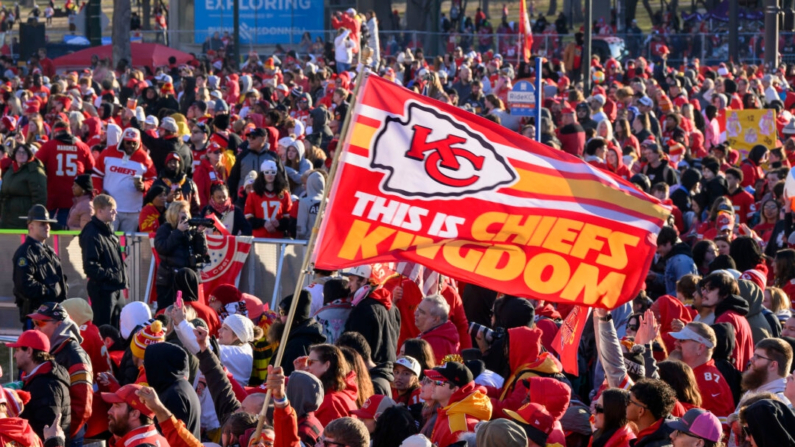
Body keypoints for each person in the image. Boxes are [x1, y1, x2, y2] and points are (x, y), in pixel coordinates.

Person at [28, 302, 93, 444]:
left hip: (66, 438)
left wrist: (63, 436)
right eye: (34, 322)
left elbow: (83, 406)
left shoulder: (75, 355)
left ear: (59, 324)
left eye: (40, 322)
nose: (35, 327)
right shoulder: (51, 349)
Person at [6, 330, 71, 441]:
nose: (14, 355)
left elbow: (47, 430)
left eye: (17, 350)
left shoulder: (46, 385)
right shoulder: (40, 379)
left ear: (29, 351)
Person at [92, 128, 157, 233]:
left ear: (139, 142)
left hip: (133, 211)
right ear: (122, 140)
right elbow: (96, 175)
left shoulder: (145, 158)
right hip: (109, 209)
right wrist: (99, 192)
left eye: (134, 143)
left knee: (127, 244)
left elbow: (152, 179)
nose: (131, 145)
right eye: (128, 142)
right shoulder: (108, 152)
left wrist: (144, 186)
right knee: (108, 239)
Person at [668, 322, 735, 420]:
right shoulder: (696, 373)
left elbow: (720, 429)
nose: (676, 343)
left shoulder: (708, 382)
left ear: (700, 348)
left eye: (682, 340)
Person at [13, 205, 67, 326]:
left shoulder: (49, 251)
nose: (47, 226)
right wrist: (50, 290)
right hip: (36, 316)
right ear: (30, 226)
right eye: (42, 223)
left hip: (53, 315)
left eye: (48, 223)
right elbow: (24, 285)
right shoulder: (25, 253)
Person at [79, 194, 127, 327]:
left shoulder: (108, 230)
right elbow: (90, 266)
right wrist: (112, 276)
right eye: (111, 209)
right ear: (99, 211)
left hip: (115, 287)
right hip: (103, 290)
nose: (115, 213)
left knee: (118, 328)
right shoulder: (91, 233)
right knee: (104, 329)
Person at [34, 120, 94, 226]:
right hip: (75, 197)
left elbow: (35, 165)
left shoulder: (49, 146)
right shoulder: (83, 147)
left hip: (53, 195)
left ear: (55, 133)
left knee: (48, 230)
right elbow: (90, 170)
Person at [154, 200, 209, 309]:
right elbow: (162, 248)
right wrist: (178, 232)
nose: (185, 215)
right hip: (169, 279)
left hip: (188, 279)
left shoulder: (191, 230)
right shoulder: (165, 229)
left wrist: (199, 234)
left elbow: (201, 252)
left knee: (189, 310)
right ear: (174, 213)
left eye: (187, 211)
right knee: (167, 310)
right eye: (181, 212)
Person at [343, 265, 400, 365]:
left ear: (364, 280)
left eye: (351, 280)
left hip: (370, 372)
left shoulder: (362, 308)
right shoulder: (393, 307)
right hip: (389, 370)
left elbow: (356, 349)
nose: (348, 285)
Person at [143, 341, 202, 439]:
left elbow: (174, 439)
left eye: (147, 364)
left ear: (159, 366)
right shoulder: (180, 386)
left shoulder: (174, 395)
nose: (145, 368)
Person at [426, 361, 492, 447]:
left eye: (438, 382)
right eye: (433, 381)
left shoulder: (460, 427)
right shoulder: (447, 411)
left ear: (455, 389)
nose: (432, 385)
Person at [701, 272, 755, 370]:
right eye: (704, 288)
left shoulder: (727, 318)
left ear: (725, 294)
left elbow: (729, 358)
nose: (704, 293)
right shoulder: (735, 314)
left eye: (710, 289)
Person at [295, 344, 358, 427]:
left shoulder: (330, 403)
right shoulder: (340, 395)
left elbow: (320, 438)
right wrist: (300, 378)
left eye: (310, 362)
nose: (306, 368)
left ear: (326, 365)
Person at [275, 290, 327, 376]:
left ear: (294, 316)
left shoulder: (297, 345)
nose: (277, 315)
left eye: (282, 312)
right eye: (278, 311)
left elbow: (289, 378)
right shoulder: (293, 337)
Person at [100, 384, 169, 447]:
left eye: (116, 406)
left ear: (134, 414)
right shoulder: (161, 439)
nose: (109, 411)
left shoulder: (137, 444)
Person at [1, 144, 47, 229]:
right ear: (14, 154)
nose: (21, 154)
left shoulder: (35, 171)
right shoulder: (10, 171)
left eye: (24, 152)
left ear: (29, 154)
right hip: (7, 217)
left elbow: (39, 197)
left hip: (24, 217)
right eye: (19, 152)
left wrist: (34, 218)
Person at [737, 338, 793, 407]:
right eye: (754, 355)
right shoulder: (757, 387)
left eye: (758, 357)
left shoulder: (778, 401)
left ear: (773, 365)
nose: (751, 359)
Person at [626, 379, 677, 447]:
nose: (626, 404)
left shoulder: (659, 442)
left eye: (629, 400)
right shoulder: (668, 430)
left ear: (641, 411)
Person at [416, 294, 460, 364]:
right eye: (417, 309)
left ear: (436, 319)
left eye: (421, 312)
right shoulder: (447, 336)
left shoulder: (434, 343)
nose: (415, 313)